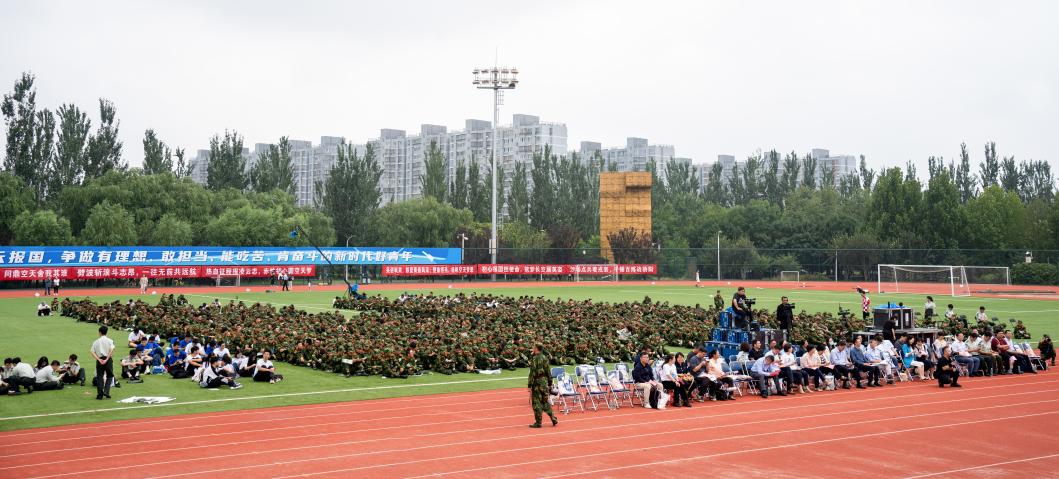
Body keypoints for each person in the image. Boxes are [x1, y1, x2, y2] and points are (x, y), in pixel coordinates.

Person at [91, 325, 115, 400]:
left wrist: (99, 359)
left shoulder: (96, 341)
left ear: (100, 332)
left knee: (99, 377)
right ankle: (106, 391)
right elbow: (112, 350)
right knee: (110, 376)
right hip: (108, 359)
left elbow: (92, 352)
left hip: (100, 360)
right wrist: (107, 359)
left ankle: (100, 395)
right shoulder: (110, 340)